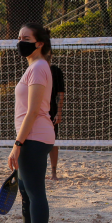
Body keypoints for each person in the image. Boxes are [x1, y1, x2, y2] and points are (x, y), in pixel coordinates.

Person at [8, 24, 55, 223]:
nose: (20, 41)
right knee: (26, 191)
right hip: (32, 137)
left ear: (39, 43)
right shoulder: (35, 67)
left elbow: (34, 111)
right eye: (19, 37)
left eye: (25, 38)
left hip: (35, 137)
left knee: (35, 192)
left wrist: (17, 144)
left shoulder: (38, 68)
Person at [44, 50, 65, 180]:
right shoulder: (34, 70)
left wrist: (59, 112)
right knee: (36, 142)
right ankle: (39, 172)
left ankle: (53, 173)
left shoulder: (56, 71)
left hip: (51, 111)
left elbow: (60, 93)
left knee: (53, 142)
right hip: (36, 112)